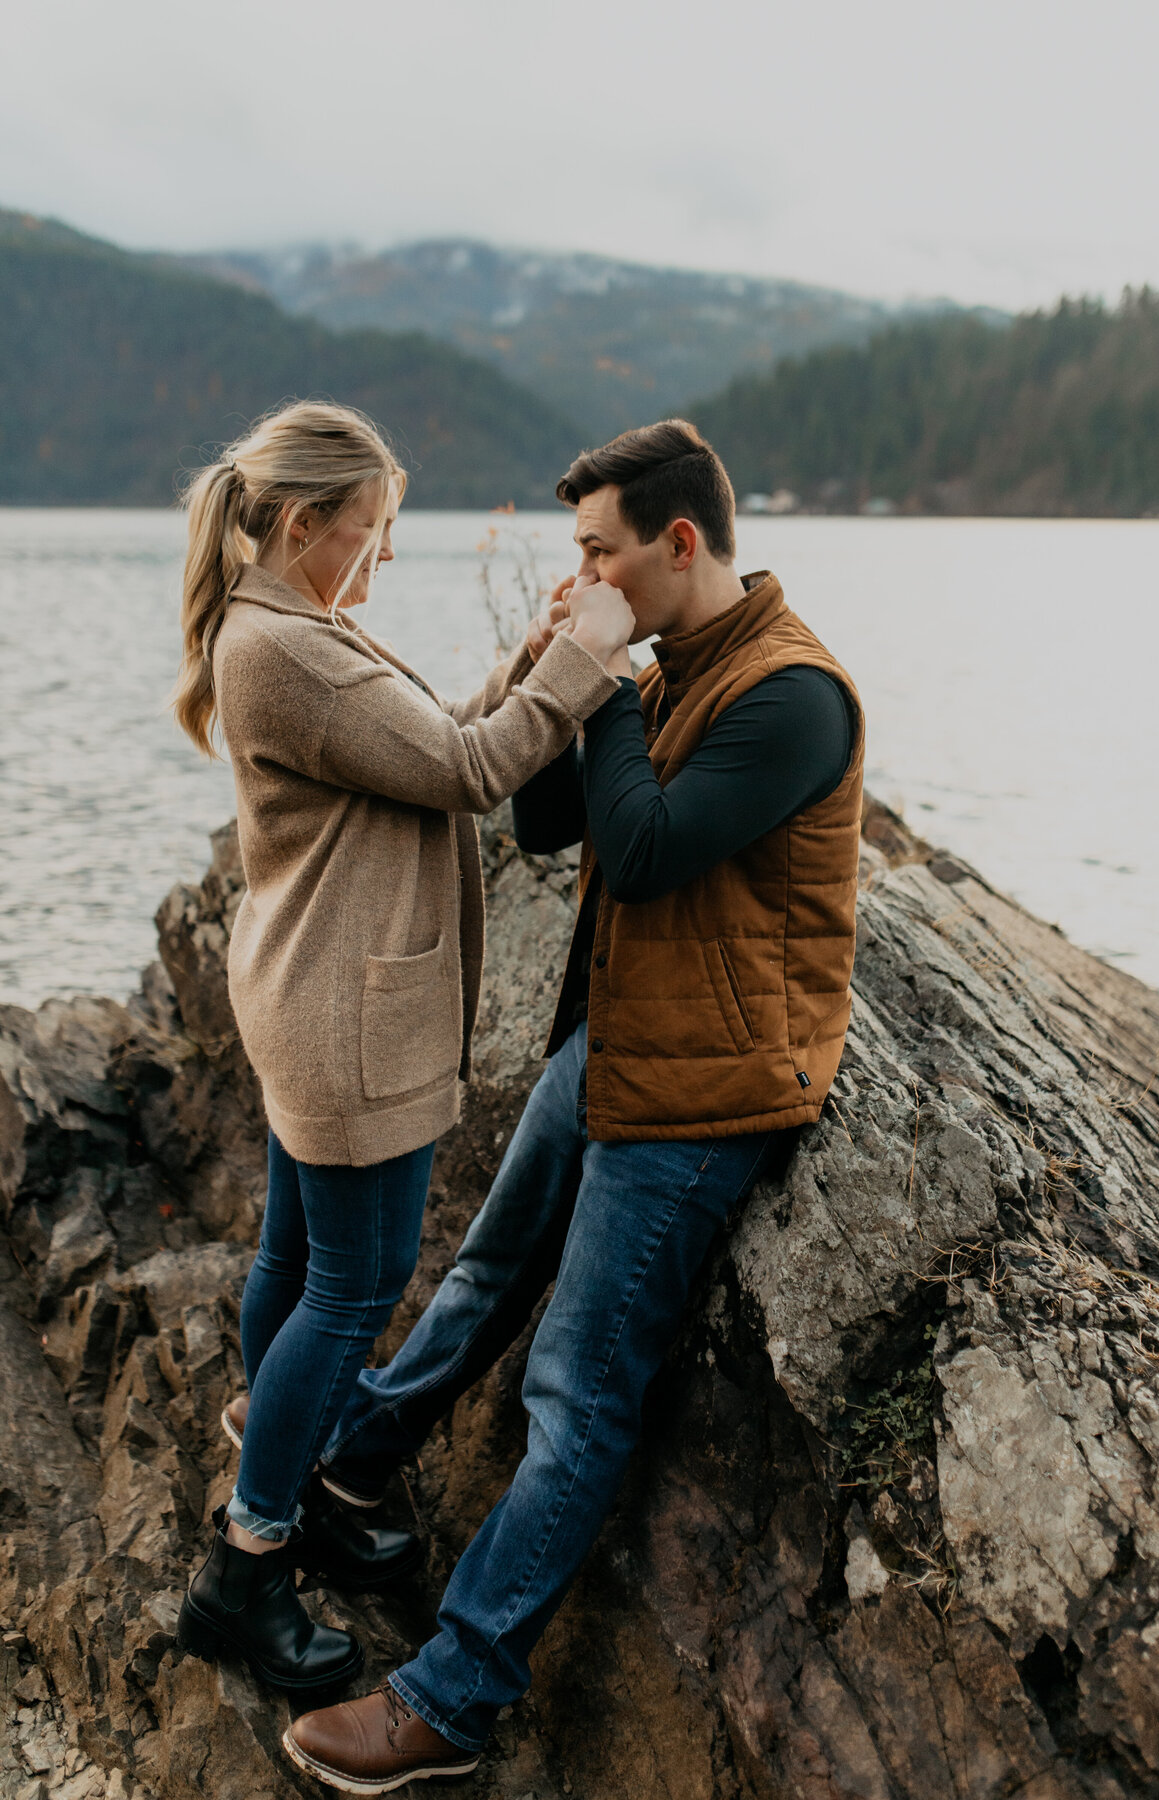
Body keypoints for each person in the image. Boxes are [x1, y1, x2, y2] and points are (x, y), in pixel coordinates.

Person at [279, 417, 866, 1790]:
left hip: (707, 1090)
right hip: (618, 1040)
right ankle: (356, 1460)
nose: (584, 573)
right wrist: (571, 668)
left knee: (578, 1389)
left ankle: (452, 1698)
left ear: (677, 544)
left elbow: (649, 852)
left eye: (599, 553)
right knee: (484, 1273)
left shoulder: (795, 693)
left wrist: (596, 685)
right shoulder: (666, 666)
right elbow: (547, 825)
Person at [170, 399, 631, 1696]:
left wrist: (533, 652)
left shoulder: (286, 626)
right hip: (347, 1020)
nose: (384, 558)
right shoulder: (292, 649)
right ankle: (247, 1565)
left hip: (307, 994)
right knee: (354, 1291)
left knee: (295, 1259)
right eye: (371, 533)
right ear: (308, 524)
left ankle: (287, 1471)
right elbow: (481, 771)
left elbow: (430, 749)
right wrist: (587, 659)